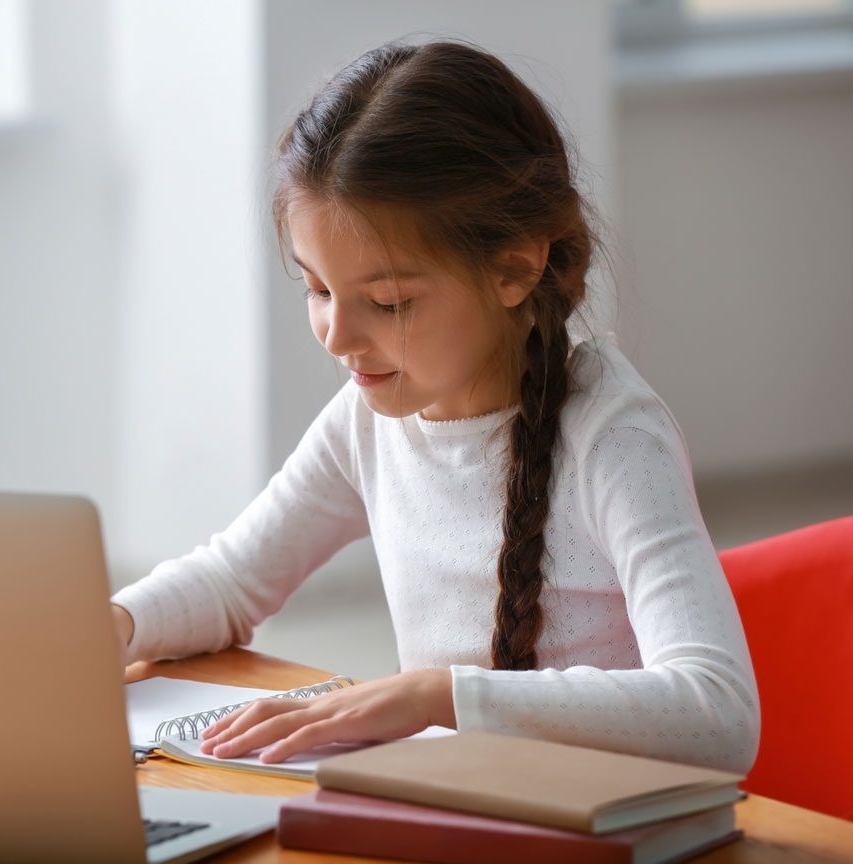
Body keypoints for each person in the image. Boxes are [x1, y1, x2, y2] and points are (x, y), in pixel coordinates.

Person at [110, 39, 759, 774]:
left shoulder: (613, 441)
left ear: (515, 267)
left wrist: (435, 697)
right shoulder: (367, 420)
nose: (337, 336)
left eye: (387, 302)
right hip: (459, 803)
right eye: (317, 290)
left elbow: (717, 710)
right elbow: (232, 579)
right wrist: (115, 625)